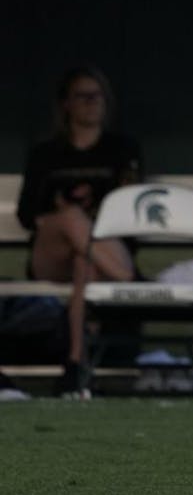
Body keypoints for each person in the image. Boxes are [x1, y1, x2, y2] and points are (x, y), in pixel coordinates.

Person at [16, 65, 141, 399]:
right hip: (52, 252)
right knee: (72, 221)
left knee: (83, 262)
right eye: (82, 96)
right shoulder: (46, 155)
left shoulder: (122, 150)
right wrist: (68, 218)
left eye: (97, 96)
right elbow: (28, 215)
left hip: (99, 251)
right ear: (66, 104)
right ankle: (129, 280)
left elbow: (131, 210)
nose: (91, 103)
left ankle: (76, 363)